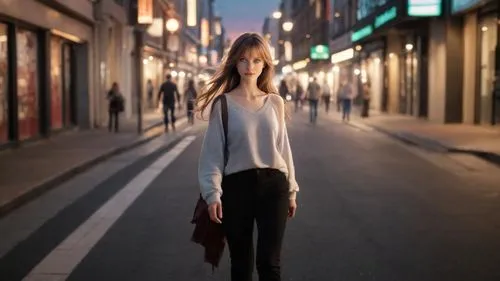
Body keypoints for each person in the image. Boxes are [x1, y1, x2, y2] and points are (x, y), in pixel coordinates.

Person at [197, 32, 299, 281]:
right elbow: (212, 155)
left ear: (265, 63)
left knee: (269, 264)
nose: (249, 66)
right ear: (235, 63)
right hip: (236, 188)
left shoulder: (275, 102)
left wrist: (292, 191)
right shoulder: (223, 104)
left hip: (275, 186)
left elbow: (284, 150)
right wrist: (212, 194)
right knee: (241, 264)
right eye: (243, 59)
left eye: (256, 60)